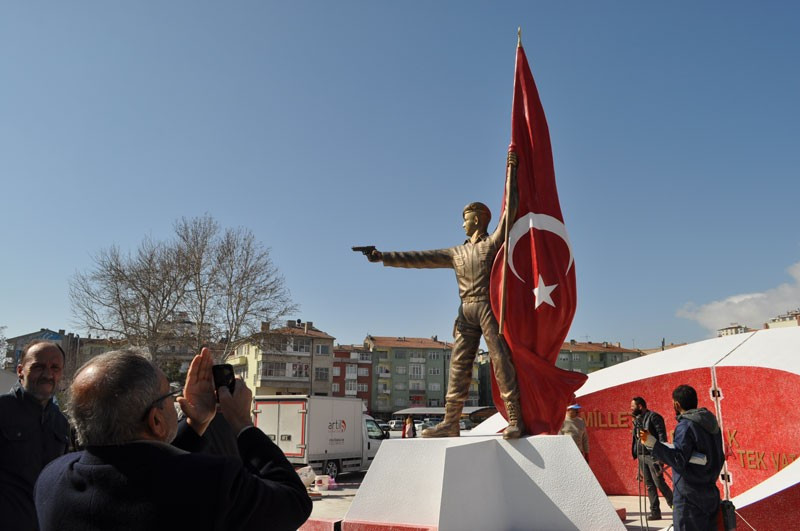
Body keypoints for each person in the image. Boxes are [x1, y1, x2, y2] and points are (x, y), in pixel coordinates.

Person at [34, 347, 312, 531]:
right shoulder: (212, 482)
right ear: (155, 421)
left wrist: (195, 423)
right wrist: (242, 423)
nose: (176, 401)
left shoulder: (52, 480)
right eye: (168, 396)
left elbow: (143, 473)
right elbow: (294, 503)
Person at [363, 153, 523, 439]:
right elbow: (419, 258)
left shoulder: (494, 242)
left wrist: (511, 169)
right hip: (465, 311)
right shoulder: (456, 252)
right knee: (459, 366)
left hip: (488, 307)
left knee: (500, 360)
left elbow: (510, 211)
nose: (462, 225)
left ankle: (514, 418)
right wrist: (382, 257)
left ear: (476, 220)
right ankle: (450, 422)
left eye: (465, 220)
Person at [0, 340, 69, 530]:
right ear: (20, 370)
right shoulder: (2, 411)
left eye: (55, 367)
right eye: (38, 367)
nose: (48, 374)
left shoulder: (62, 423)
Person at [639, 385, 724, 531]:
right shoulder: (711, 423)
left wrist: (652, 443)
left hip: (689, 498)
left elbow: (678, 459)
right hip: (710, 494)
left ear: (676, 404)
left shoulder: (686, 426)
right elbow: (716, 456)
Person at [630, 396, 674, 520]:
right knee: (649, 485)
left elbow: (661, 436)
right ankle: (655, 512)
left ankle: (675, 507)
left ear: (640, 406)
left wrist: (661, 456)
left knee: (659, 483)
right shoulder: (637, 420)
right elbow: (638, 439)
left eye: (633, 406)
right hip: (642, 456)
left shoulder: (654, 417)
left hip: (653, 456)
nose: (631, 409)